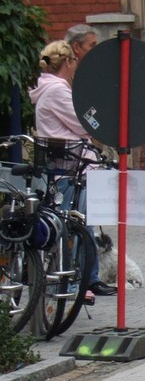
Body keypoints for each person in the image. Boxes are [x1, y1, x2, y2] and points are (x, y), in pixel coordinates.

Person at [28, 40, 116, 296]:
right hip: (70, 167)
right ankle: (76, 282)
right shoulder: (56, 91)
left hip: (67, 166)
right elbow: (83, 124)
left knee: (82, 224)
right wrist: (97, 118)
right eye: (74, 61)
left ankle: (88, 279)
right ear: (67, 61)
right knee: (75, 225)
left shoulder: (50, 88)